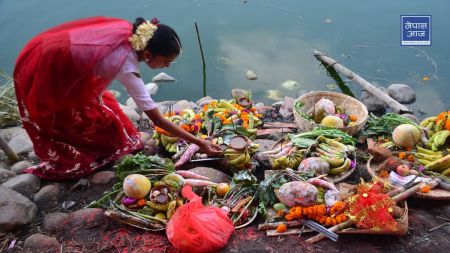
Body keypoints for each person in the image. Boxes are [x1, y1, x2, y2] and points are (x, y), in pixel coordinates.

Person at [13, 16, 222, 180]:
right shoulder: (126, 64)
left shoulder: (130, 34)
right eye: (166, 61)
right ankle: (69, 148)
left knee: (107, 117)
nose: (167, 66)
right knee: (77, 123)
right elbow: (157, 119)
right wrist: (199, 142)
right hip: (49, 65)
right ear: (147, 54)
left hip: (49, 48)